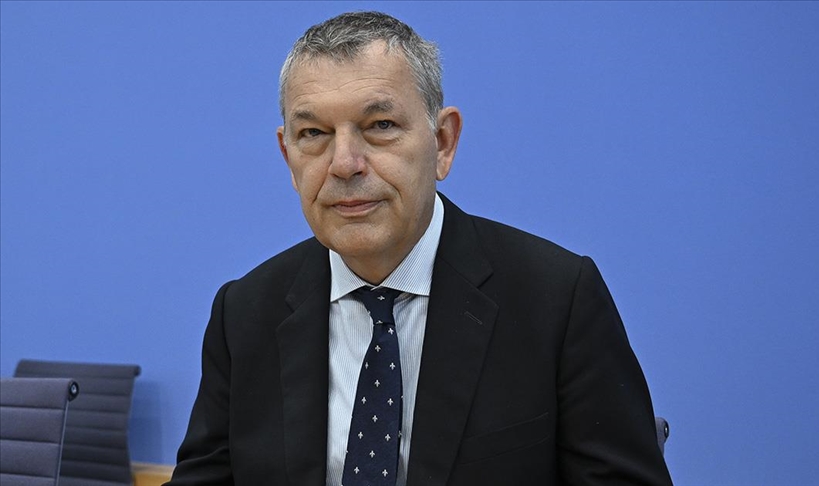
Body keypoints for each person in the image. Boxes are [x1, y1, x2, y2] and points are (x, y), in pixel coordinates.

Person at [167, 11, 673, 486]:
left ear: (443, 142)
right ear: (288, 156)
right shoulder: (245, 313)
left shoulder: (556, 300)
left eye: (380, 126)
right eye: (314, 133)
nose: (344, 163)